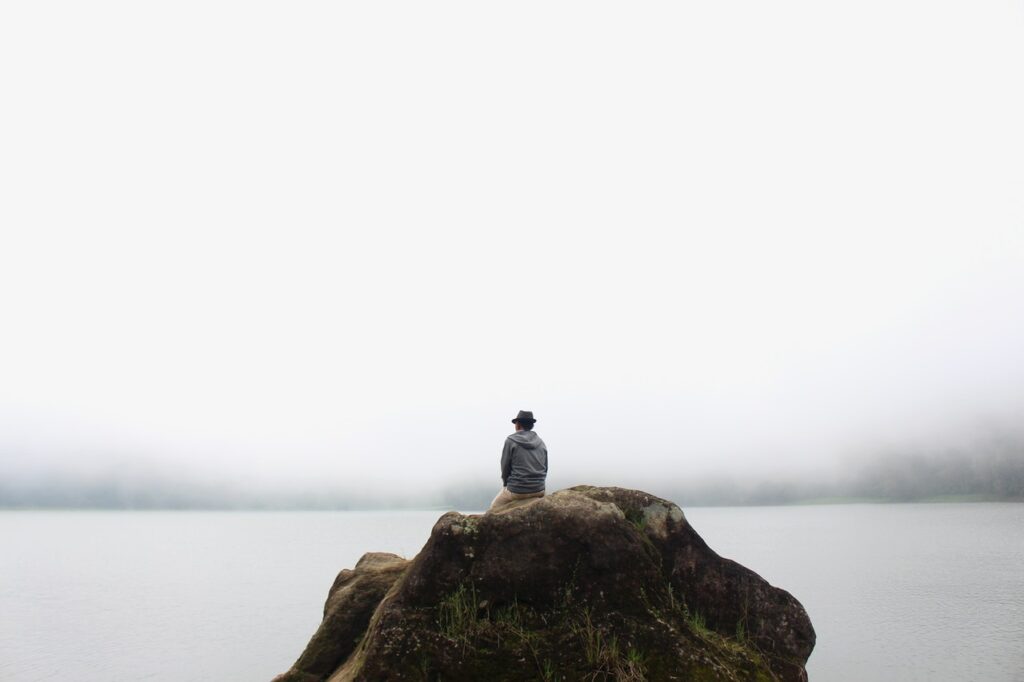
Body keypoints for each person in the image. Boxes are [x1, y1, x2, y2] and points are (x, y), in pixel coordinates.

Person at [488, 410, 548, 512]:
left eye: (516, 423)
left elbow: (505, 466)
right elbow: (545, 467)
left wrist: (506, 484)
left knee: (493, 509)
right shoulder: (541, 442)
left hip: (517, 490)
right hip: (539, 489)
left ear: (518, 425)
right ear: (531, 426)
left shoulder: (511, 440)